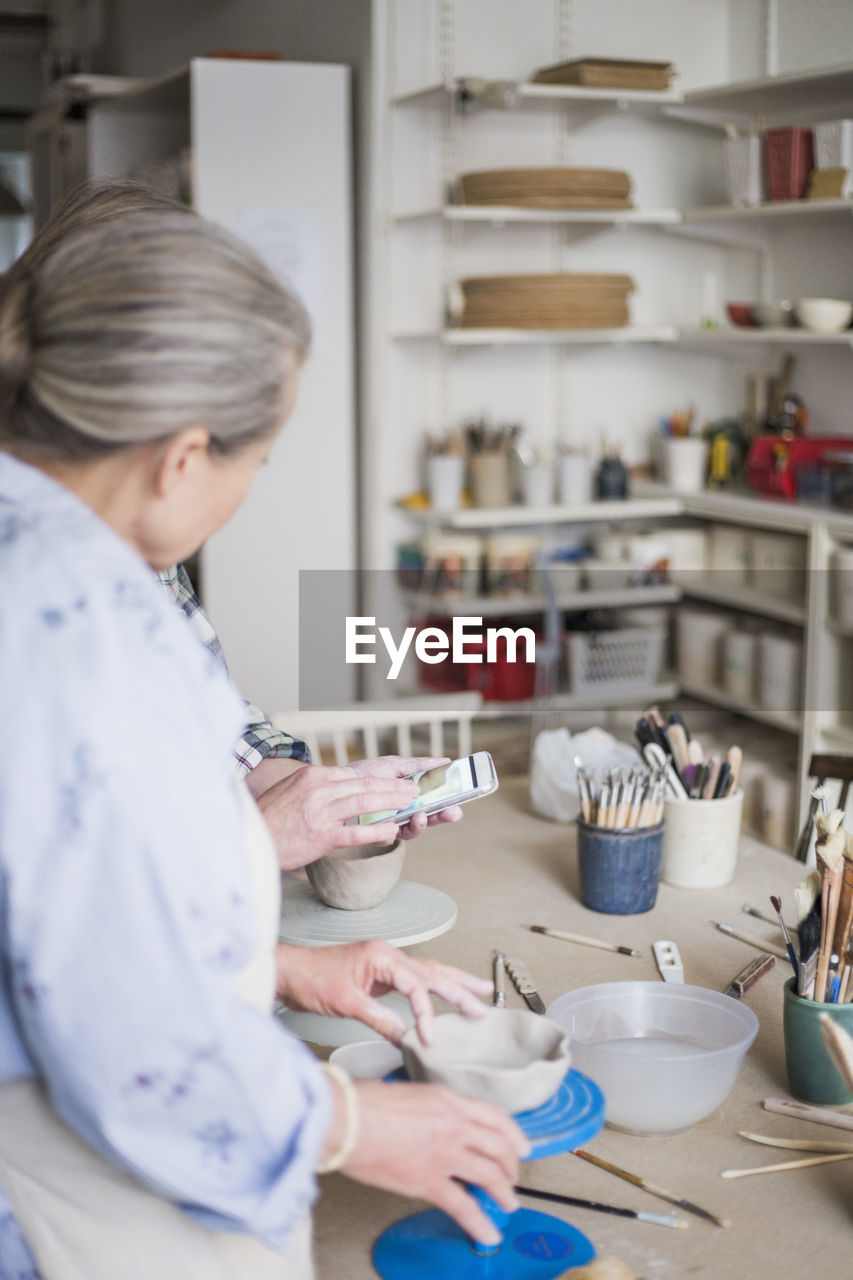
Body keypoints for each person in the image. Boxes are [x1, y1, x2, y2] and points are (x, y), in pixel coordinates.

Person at [0, 196, 527, 1277]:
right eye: (260, 464)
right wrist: (348, 1122)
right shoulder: (76, 635)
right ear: (183, 455)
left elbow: (53, 913)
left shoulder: (50, 554)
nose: (246, 496)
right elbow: (128, 1037)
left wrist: (277, 963)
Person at [12, 181, 465, 873]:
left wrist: (324, 797)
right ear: (181, 458)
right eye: (258, 459)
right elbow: (78, 908)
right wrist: (256, 839)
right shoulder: (41, 617)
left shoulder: (122, 548)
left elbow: (210, 729)